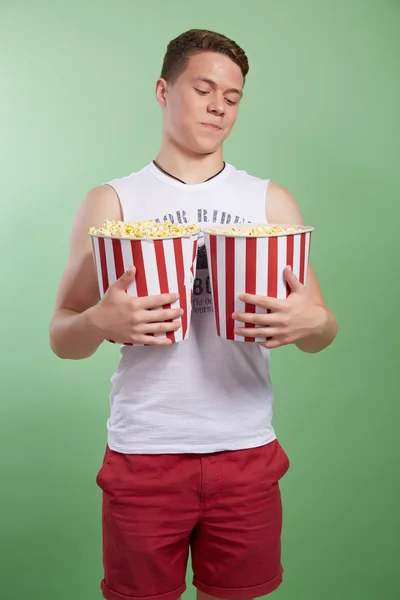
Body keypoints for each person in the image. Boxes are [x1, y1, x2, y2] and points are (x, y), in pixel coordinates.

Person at [49, 28, 338, 600]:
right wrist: (99, 323)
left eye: (231, 98)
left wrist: (313, 326)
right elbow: (63, 333)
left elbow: (321, 325)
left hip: (246, 448)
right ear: (163, 89)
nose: (217, 107)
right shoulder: (111, 201)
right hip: (145, 451)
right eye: (203, 89)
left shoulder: (270, 202)